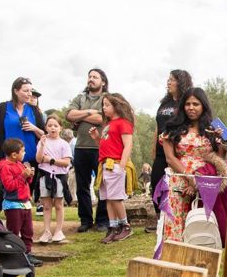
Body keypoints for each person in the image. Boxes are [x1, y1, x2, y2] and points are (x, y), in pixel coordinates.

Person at [159, 87, 227, 243]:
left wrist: (221, 143)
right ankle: (174, 264)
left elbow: (218, 159)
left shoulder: (213, 129)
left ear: (203, 105)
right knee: (177, 225)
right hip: (179, 180)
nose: (191, 107)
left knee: (200, 228)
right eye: (188, 104)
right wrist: (190, 177)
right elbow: (170, 158)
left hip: (205, 182)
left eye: (196, 104)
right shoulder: (172, 129)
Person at [0, 77, 46, 214]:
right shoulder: (2, 108)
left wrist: (34, 128)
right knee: (6, 191)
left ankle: (20, 224)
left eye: (31, 91)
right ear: (16, 91)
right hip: (7, 160)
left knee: (25, 193)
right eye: (26, 91)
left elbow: (44, 134)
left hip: (30, 160)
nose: (29, 94)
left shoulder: (34, 110)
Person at [145, 69, 192, 234]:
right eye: (168, 79)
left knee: (174, 186)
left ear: (181, 82)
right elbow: (158, 127)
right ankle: (160, 220)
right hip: (160, 152)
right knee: (156, 183)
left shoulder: (186, 103)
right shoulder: (164, 104)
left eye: (172, 79)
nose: (168, 82)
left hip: (176, 152)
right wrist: (153, 147)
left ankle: (175, 219)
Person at [65, 68, 109, 232]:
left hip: (100, 147)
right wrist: (90, 112)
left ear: (102, 81)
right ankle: (85, 220)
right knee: (82, 186)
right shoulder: (80, 97)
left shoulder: (106, 98)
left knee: (103, 185)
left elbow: (102, 118)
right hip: (81, 147)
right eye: (89, 76)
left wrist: (81, 116)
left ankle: (102, 221)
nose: (91, 79)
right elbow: (69, 115)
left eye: (95, 77)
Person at [91, 92, 136, 243]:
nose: (104, 108)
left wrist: (121, 166)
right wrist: (97, 138)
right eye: (103, 105)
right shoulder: (108, 125)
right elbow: (105, 146)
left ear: (116, 106)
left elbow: (128, 145)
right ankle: (113, 227)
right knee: (108, 198)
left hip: (115, 165)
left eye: (107, 105)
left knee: (116, 198)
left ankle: (125, 226)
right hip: (105, 165)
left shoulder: (123, 123)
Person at [0, 137, 38, 264]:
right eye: (23, 151)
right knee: (14, 231)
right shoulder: (5, 167)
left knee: (28, 231)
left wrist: (29, 176)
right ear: (14, 154)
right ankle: (13, 254)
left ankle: (27, 254)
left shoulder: (19, 164)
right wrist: (23, 175)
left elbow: (24, 182)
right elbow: (10, 186)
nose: (24, 153)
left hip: (25, 204)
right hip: (13, 205)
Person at [36, 114, 72, 244]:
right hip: (45, 176)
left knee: (58, 204)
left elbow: (66, 162)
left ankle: (58, 230)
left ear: (60, 128)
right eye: (50, 125)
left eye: (55, 126)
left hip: (59, 177)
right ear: (45, 127)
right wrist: (41, 145)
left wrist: (50, 160)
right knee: (46, 205)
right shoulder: (42, 142)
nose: (52, 128)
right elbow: (39, 159)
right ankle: (46, 231)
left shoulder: (64, 144)